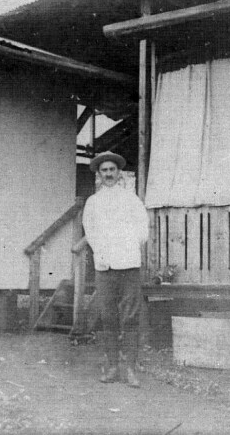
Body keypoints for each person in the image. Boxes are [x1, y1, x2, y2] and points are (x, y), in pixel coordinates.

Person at [82, 151, 149, 388]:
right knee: (108, 316)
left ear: (118, 172)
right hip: (105, 266)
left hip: (129, 265)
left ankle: (130, 368)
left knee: (130, 317)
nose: (108, 174)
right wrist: (103, 252)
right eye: (104, 170)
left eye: (112, 170)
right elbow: (89, 231)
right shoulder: (93, 202)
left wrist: (127, 247)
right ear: (99, 174)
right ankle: (112, 366)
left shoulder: (131, 200)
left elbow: (142, 231)